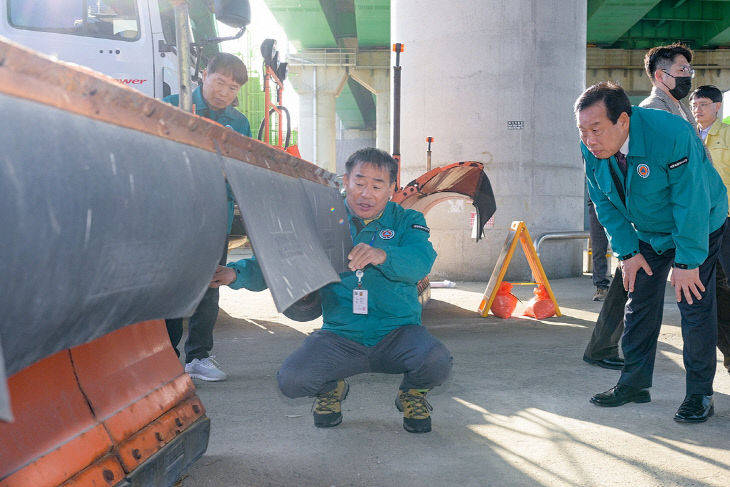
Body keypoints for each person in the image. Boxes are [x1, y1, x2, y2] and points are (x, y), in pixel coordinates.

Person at [210, 148, 453, 433]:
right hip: (340, 335)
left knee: (436, 360)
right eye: (359, 183)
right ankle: (332, 387)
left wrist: (383, 255)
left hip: (397, 332)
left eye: (377, 186)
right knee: (292, 380)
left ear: (391, 188)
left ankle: (412, 393)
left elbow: (421, 260)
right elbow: (285, 258)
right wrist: (235, 274)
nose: (366, 193)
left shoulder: (406, 220)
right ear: (345, 181)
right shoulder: (324, 218)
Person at [575, 82, 727, 423]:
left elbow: (691, 200)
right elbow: (603, 200)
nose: (589, 139)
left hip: (698, 222)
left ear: (624, 121)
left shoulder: (671, 133)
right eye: (582, 131)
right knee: (639, 301)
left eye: (596, 130)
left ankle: (700, 393)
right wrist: (627, 253)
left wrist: (688, 261)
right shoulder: (592, 145)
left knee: (695, 305)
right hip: (647, 231)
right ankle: (634, 383)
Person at [582, 43, 699, 371]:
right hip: (653, 219)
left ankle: (601, 346)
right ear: (662, 76)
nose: (688, 76)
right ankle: (604, 348)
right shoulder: (654, 113)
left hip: (662, 219)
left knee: (632, 280)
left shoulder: (677, 107)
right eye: (682, 71)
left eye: (690, 71)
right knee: (639, 279)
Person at [164, 52, 252, 381]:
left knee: (210, 282)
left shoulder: (239, 122)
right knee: (173, 285)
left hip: (216, 212)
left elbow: (240, 168)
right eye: (220, 82)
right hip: (175, 212)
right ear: (204, 75)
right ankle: (167, 358)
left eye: (232, 87)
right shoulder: (173, 104)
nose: (224, 92)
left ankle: (199, 356)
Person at [690, 85, 730, 375]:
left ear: (718, 106)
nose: (697, 109)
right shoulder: (689, 138)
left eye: (704, 104)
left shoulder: (727, 135)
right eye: (694, 105)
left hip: (726, 219)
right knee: (709, 289)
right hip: (699, 225)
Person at [587, 196, 610, 301]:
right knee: (598, 249)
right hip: (597, 204)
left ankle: (626, 288)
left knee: (627, 249)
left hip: (619, 203)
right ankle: (601, 287)